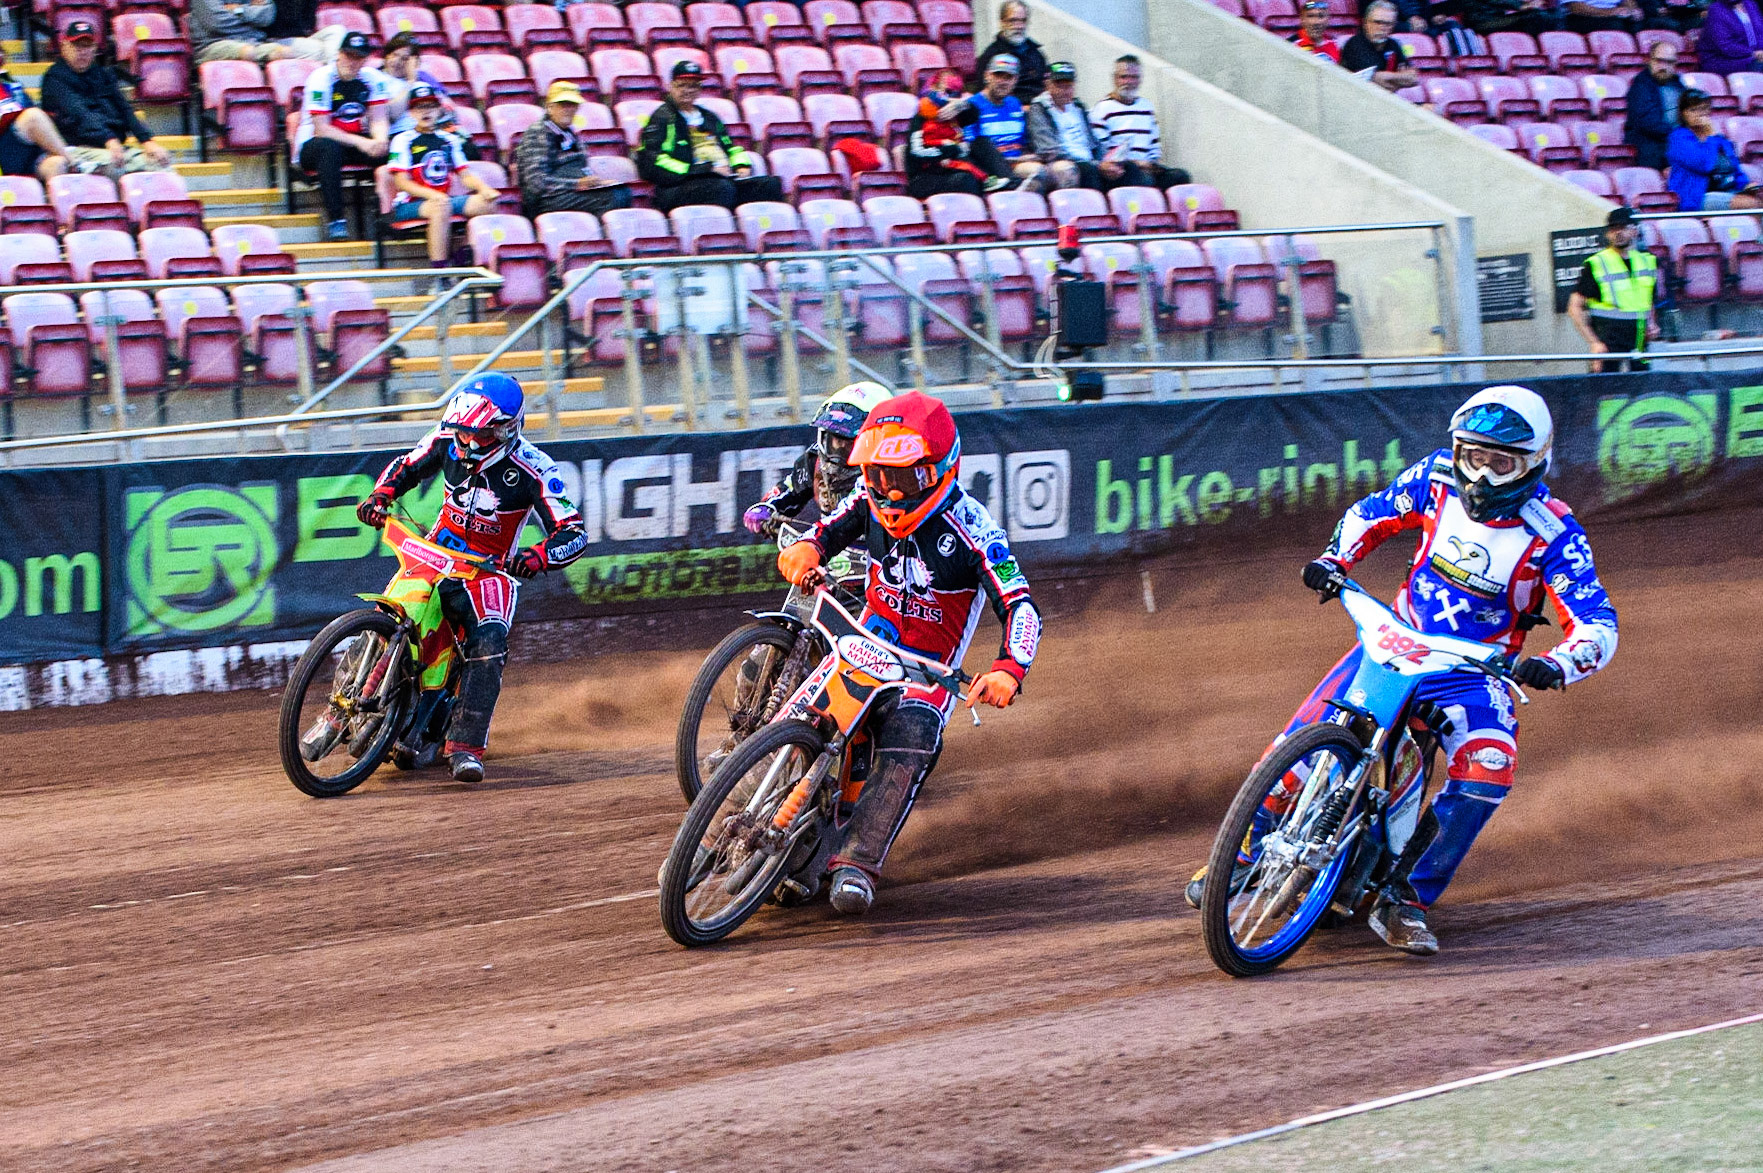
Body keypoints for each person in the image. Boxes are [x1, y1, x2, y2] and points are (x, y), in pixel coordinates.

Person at [1188, 386, 1618, 955]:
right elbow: (1370, 514)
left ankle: (1406, 898)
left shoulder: (1555, 533)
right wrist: (1333, 559)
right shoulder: (1436, 477)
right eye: (1473, 457)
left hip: (1475, 670)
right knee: (1297, 743)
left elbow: (1597, 624)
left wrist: (1556, 663)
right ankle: (1243, 857)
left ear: (1535, 463)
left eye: (1501, 464)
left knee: (1489, 765)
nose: (1481, 477)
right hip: (1396, 639)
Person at [775, 391, 1041, 915]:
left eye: (904, 479)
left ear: (941, 470)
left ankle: (857, 863)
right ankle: (744, 804)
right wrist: (807, 548)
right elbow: (825, 531)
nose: (889, 492)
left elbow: (1021, 606)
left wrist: (1009, 669)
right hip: (861, 644)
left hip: (926, 675)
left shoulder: (976, 530)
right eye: (877, 476)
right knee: (800, 705)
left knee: (913, 734)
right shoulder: (866, 499)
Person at [355, 374, 589, 784]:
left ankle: (465, 746)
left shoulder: (535, 468)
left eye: (476, 435)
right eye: (461, 432)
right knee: (386, 613)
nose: (465, 443)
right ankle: (351, 694)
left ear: (506, 431)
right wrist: (380, 496)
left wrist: (537, 556)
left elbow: (574, 532)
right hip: (434, 552)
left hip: (490, 570)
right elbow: (406, 466)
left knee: (490, 638)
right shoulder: (447, 438)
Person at [743, 381, 894, 534]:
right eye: (835, 441)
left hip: (884, 543)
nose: (840, 450)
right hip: (829, 542)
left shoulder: (896, 472)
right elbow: (790, 490)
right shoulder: (814, 460)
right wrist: (766, 507)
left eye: (850, 443)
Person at [387, 85, 498, 287]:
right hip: (410, 203)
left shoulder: (449, 139)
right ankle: (440, 273)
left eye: (430, 106)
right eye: (419, 107)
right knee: (441, 206)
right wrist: (432, 195)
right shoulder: (402, 140)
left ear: (439, 110)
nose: (426, 112)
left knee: (487, 204)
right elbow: (401, 182)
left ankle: (461, 256)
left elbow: (465, 175)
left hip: (443, 199)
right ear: (411, 113)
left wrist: (484, 189)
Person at [637, 60, 783, 213]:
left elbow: (731, 148)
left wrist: (741, 165)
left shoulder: (709, 117)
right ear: (671, 86)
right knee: (722, 188)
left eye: (693, 86)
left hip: (719, 179)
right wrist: (704, 170)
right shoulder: (662, 118)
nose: (688, 90)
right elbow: (652, 162)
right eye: (682, 85)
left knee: (770, 185)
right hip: (678, 186)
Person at [39, 22, 173, 178]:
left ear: (95, 48)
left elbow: (124, 109)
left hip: (113, 147)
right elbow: (80, 114)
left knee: (162, 164)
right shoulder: (55, 78)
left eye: (87, 46)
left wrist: (147, 141)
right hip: (77, 149)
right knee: (116, 166)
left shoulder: (102, 73)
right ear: (64, 46)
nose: (83, 52)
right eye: (77, 46)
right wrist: (108, 139)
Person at [293, 30, 390, 241]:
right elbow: (322, 129)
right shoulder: (321, 78)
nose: (352, 62)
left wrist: (380, 141)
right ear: (339, 54)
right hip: (314, 145)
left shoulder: (373, 78)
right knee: (329, 148)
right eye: (348, 55)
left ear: (365, 59)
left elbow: (379, 118)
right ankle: (336, 219)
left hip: (353, 142)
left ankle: (391, 214)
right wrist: (362, 142)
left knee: (394, 149)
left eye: (358, 57)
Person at [516, 81, 632, 217]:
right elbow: (536, 182)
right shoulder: (539, 133)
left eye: (572, 104)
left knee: (622, 191)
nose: (568, 109)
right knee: (610, 197)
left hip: (571, 193)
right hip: (547, 200)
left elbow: (582, 169)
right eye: (563, 104)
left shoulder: (569, 133)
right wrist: (576, 184)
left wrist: (597, 183)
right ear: (550, 107)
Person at [1026, 61, 1146, 191]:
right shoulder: (1039, 108)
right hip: (1067, 163)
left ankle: (1132, 204)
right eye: (1059, 85)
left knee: (1129, 168)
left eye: (1069, 86)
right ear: (1047, 84)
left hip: (1091, 161)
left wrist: (1107, 162)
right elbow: (1048, 150)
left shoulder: (1078, 107)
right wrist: (1097, 165)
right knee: (1088, 170)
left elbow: (1094, 143)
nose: (1065, 90)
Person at [1567, 207, 1660, 372]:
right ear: (1607, 234)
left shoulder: (1647, 262)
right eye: (1613, 228)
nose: (1618, 232)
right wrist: (1594, 343)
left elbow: (1648, 300)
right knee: (1604, 386)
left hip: (1639, 341)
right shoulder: (1597, 263)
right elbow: (1574, 307)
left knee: (1642, 386)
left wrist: (1652, 323)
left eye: (1623, 227)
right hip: (1608, 341)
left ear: (1634, 230)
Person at [943, 55, 1052, 193]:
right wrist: (1017, 160)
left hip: (1019, 161)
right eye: (998, 75)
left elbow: (1024, 142)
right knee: (1037, 172)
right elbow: (974, 150)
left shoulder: (1015, 103)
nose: (1003, 82)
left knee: (1059, 172)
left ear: (1016, 80)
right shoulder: (972, 106)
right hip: (994, 168)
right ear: (987, 76)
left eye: (1009, 77)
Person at [1089, 54, 1190, 190]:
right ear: (1115, 79)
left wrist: (1151, 165)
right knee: (1134, 172)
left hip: (1146, 168)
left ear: (1140, 79)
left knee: (1180, 176)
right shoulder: (1102, 109)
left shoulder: (1146, 107)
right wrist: (1136, 164)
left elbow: (1154, 146)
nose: (1129, 82)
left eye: (1134, 77)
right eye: (1124, 77)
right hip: (1120, 171)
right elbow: (1102, 153)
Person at [905, 68, 1009, 198]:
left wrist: (962, 105)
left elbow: (974, 114)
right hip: (926, 176)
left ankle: (1012, 185)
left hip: (956, 166)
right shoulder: (920, 118)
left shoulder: (956, 116)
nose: (949, 98)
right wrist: (952, 149)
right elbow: (916, 154)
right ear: (933, 88)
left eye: (956, 93)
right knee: (967, 180)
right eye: (947, 92)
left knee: (981, 142)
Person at [1666, 89, 1763, 211]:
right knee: (1750, 204)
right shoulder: (1679, 138)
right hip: (1696, 197)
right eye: (1693, 110)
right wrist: (1710, 138)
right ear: (1683, 113)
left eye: (1703, 109)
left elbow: (1733, 166)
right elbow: (1704, 165)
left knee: (1757, 199)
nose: (1699, 114)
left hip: (1728, 191)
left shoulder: (1719, 139)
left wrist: (1746, 185)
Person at [0, 45, 75, 181]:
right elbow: (31, 118)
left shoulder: (10, 85)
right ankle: (76, 163)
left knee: (58, 164)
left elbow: (32, 115)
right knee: (32, 117)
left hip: (27, 153)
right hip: (5, 151)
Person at [190, 0, 341, 64]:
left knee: (337, 32)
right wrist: (253, 24)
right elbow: (217, 23)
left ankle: (335, 80)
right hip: (215, 43)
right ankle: (336, 84)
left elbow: (268, 14)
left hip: (255, 41)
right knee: (325, 52)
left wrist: (239, 10)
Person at [1624, 40, 1684, 170]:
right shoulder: (1640, 86)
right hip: (1651, 146)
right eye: (1659, 61)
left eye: (1669, 62)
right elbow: (1649, 123)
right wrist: (1679, 135)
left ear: (1675, 64)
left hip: (1676, 142)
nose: (1663, 67)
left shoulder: (1678, 84)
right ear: (1649, 60)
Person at [972, 0, 1047, 103]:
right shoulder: (990, 56)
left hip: (1039, 107)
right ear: (1002, 22)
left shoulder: (1037, 54)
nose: (1019, 26)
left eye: (1023, 21)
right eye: (1013, 20)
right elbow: (984, 96)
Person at [1339, 2, 1421, 93]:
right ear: (1365, 23)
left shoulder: (1393, 44)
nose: (1382, 27)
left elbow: (1413, 78)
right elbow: (1377, 79)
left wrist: (1390, 78)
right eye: (1377, 22)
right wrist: (1400, 78)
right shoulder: (1355, 44)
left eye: (1388, 24)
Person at [1696, 0, 1763, 76]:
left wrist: (1760, 52)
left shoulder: (1750, 4)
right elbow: (1725, 45)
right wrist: (1753, 53)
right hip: (1722, 60)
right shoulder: (1716, 10)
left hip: (1750, 56)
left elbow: (1760, 33)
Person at [1563, 0, 1646, 33]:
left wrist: (1632, 10)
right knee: (1615, 25)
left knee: (1641, 23)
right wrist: (1611, 12)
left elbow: (1627, 1)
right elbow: (1575, 8)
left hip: (1614, 16)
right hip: (1583, 18)